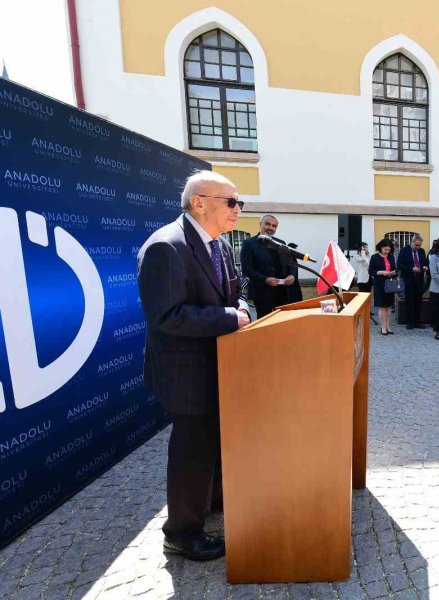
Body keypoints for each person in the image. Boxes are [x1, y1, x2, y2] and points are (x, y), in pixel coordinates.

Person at [137, 170, 251, 561]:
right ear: (199, 202)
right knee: (192, 452)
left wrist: (242, 308)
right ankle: (182, 533)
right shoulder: (166, 247)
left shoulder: (217, 244)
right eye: (231, 202)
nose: (238, 210)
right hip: (186, 376)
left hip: (219, 368)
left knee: (213, 445)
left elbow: (236, 292)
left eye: (240, 203)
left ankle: (212, 504)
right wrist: (228, 318)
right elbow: (167, 316)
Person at [239, 215, 299, 318]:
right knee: (264, 323)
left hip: (282, 292)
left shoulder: (281, 243)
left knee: (283, 322)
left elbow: (291, 263)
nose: (270, 228)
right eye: (267, 224)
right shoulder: (249, 243)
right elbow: (246, 269)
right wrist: (265, 279)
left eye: (274, 226)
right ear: (260, 224)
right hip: (262, 292)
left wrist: (292, 275)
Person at [397, 236, 428, 329]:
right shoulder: (404, 250)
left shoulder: (422, 251)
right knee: (409, 301)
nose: (417, 247)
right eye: (416, 245)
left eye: (419, 245)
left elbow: (425, 262)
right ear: (412, 242)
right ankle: (409, 322)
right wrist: (411, 268)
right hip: (408, 279)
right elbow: (399, 265)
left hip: (419, 279)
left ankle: (417, 321)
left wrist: (425, 267)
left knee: (418, 301)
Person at [369, 239, 397, 335]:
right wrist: (382, 272)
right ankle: (383, 327)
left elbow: (394, 268)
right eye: (385, 249)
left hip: (390, 283)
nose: (387, 251)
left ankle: (388, 326)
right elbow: (371, 271)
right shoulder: (374, 257)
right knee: (382, 306)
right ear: (380, 248)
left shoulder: (391, 257)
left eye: (388, 249)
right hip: (379, 283)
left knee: (389, 306)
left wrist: (393, 272)